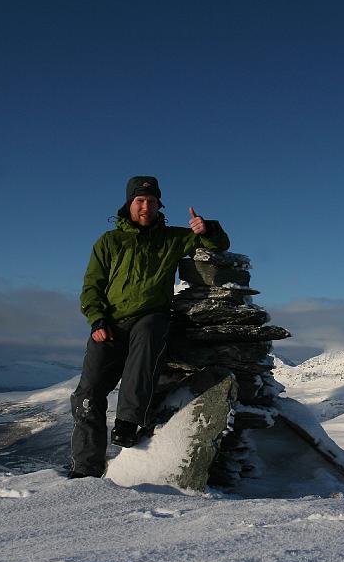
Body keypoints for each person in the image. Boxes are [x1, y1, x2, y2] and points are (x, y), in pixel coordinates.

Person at [69, 175, 230, 478]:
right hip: (110, 323)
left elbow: (218, 244)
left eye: (152, 201)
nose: (146, 206)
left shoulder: (171, 238)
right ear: (129, 203)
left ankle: (128, 423)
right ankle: (84, 471)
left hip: (150, 316)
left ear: (159, 205)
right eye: (140, 200)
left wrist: (206, 228)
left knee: (147, 342)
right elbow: (92, 286)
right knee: (87, 395)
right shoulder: (109, 242)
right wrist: (97, 319)